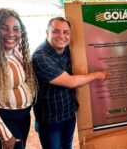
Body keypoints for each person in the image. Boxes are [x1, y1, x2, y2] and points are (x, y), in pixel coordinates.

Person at [32, 17, 108, 149]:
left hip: (68, 114)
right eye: (56, 31)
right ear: (47, 33)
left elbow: (89, 39)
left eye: (66, 32)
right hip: (50, 120)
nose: (62, 36)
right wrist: (97, 75)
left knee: (67, 146)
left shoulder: (67, 50)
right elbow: (70, 82)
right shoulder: (40, 57)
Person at [0, 8, 37, 149]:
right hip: (4, 119)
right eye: (4, 28)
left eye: (16, 29)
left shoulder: (17, 52)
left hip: (24, 117)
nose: (11, 34)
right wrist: (5, 136)